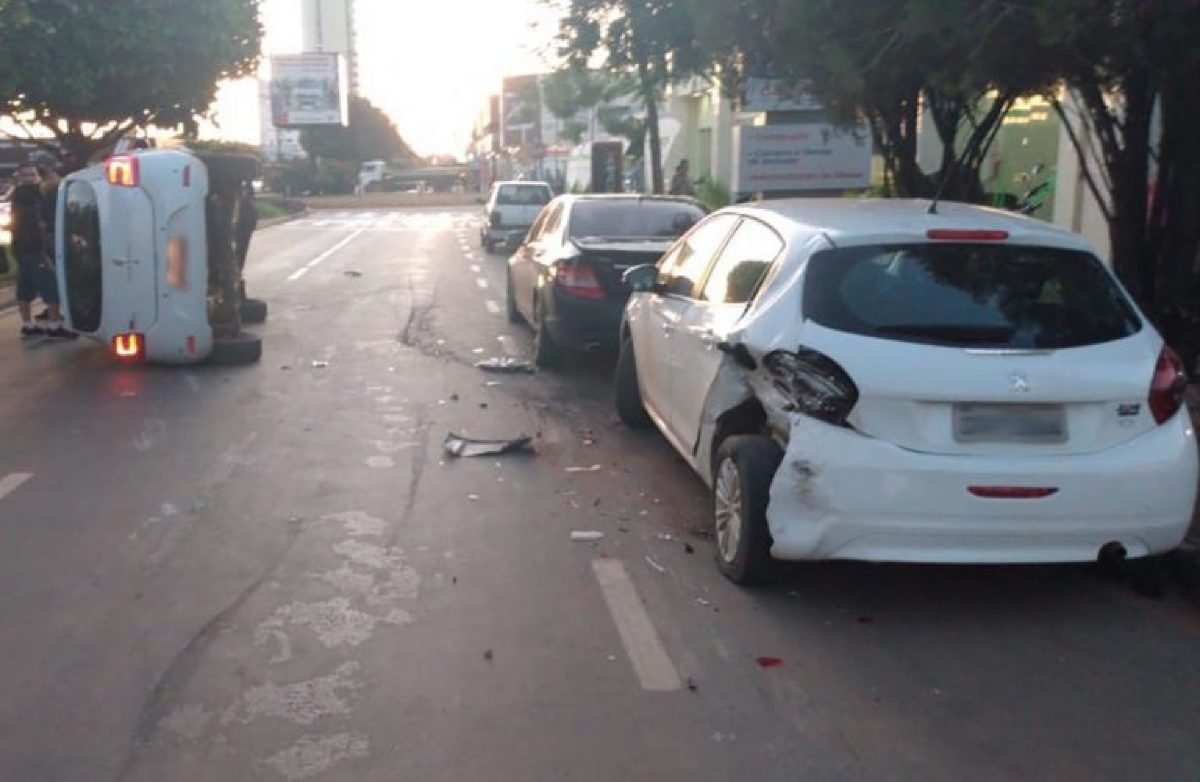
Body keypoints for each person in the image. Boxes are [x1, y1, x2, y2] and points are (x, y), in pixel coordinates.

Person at [11, 163, 72, 340]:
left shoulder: (18, 194)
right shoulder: (34, 196)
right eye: (27, 175)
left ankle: (28, 325)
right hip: (36, 248)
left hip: (21, 248)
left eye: (32, 175)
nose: (30, 178)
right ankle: (54, 326)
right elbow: (40, 223)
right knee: (51, 287)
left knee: (25, 288)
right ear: (21, 177)